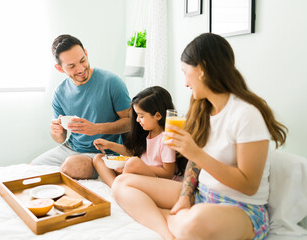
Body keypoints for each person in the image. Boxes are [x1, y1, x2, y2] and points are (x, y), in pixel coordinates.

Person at [111, 33, 288, 240]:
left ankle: (167, 219)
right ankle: (167, 232)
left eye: (185, 72)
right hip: (201, 195)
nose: (185, 82)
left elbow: (249, 185)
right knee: (122, 183)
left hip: (240, 208)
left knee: (193, 224)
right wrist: (185, 197)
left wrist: (195, 153)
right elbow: (193, 166)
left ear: (202, 69)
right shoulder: (203, 109)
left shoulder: (246, 115)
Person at [31, 34, 131, 180]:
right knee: (29, 170)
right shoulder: (60, 92)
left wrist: (97, 129)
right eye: (71, 66)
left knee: (70, 167)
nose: (80, 69)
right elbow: (60, 138)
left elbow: (130, 122)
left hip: (104, 152)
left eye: (82, 60)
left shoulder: (112, 82)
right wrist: (57, 131)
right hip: (71, 148)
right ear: (59, 68)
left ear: (86, 53)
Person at [93, 86, 182, 187]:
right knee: (99, 158)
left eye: (141, 116)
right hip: (138, 172)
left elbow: (168, 174)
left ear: (158, 116)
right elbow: (133, 152)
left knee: (133, 162)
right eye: (137, 115)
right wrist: (109, 145)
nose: (137, 120)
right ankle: (116, 186)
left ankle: (121, 185)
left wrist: (137, 166)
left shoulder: (166, 139)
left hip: (158, 180)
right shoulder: (147, 132)